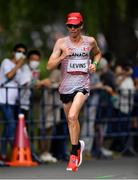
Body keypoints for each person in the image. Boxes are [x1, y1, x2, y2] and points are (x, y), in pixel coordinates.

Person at [47, 12, 101, 171]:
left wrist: (95, 65)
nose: (73, 28)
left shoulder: (90, 41)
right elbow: (49, 66)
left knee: (72, 116)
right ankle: (78, 146)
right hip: (65, 87)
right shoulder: (61, 43)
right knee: (71, 121)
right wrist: (63, 55)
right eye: (70, 26)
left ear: (81, 26)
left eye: (76, 26)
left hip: (82, 84)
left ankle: (73, 155)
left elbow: (97, 54)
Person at [0, 43, 27, 160]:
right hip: (3, 99)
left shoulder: (21, 69)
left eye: (23, 53)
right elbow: (10, 75)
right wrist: (18, 65)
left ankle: (3, 154)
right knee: (10, 124)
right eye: (19, 51)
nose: (21, 54)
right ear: (13, 52)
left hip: (13, 102)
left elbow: (21, 83)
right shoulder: (6, 62)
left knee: (9, 126)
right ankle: (9, 152)